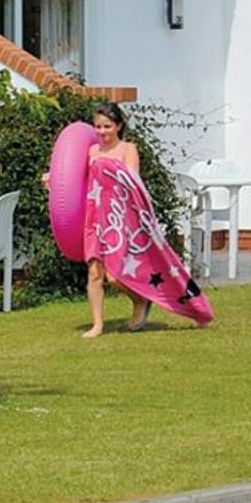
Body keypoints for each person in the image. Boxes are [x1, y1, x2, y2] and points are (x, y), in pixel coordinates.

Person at [48, 105, 213, 337]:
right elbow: (80, 184)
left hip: (121, 218)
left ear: (119, 126)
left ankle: (142, 300)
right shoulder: (92, 151)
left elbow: (131, 183)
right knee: (95, 273)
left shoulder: (128, 149)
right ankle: (97, 324)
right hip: (95, 218)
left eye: (107, 126)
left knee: (114, 276)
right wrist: (54, 181)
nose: (102, 131)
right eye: (98, 126)